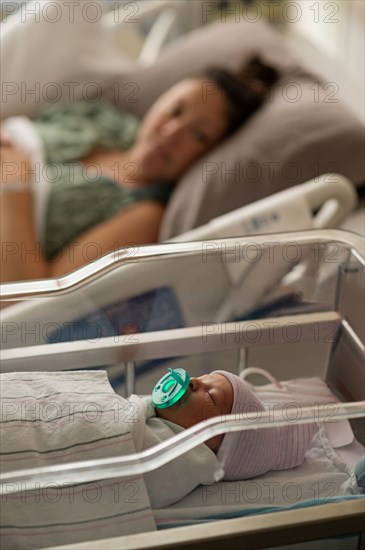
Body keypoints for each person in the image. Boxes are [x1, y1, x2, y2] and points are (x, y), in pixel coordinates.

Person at [0, 56, 279, 282]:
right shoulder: (105, 119)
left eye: (199, 135)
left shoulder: (144, 215)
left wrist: (14, 188)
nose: (171, 133)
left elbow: (33, 298)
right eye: (175, 110)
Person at [155, 370, 318, 480]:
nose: (192, 380)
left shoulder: (180, 468)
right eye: (204, 376)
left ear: (226, 445)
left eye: (211, 396)